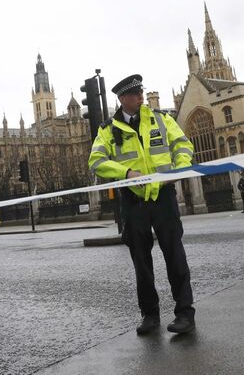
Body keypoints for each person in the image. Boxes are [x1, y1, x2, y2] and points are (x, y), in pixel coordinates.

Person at [88, 74, 196, 335]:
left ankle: (185, 314)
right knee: (141, 262)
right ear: (123, 99)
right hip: (133, 201)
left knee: (175, 256)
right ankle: (150, 315)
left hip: (163, 197)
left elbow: (183, 145)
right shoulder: (107, 130)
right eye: (135, 94)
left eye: (141, 92)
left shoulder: (161, 118)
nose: (140, 97)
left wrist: (180, 169)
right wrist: (125, 173)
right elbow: (96, 162)